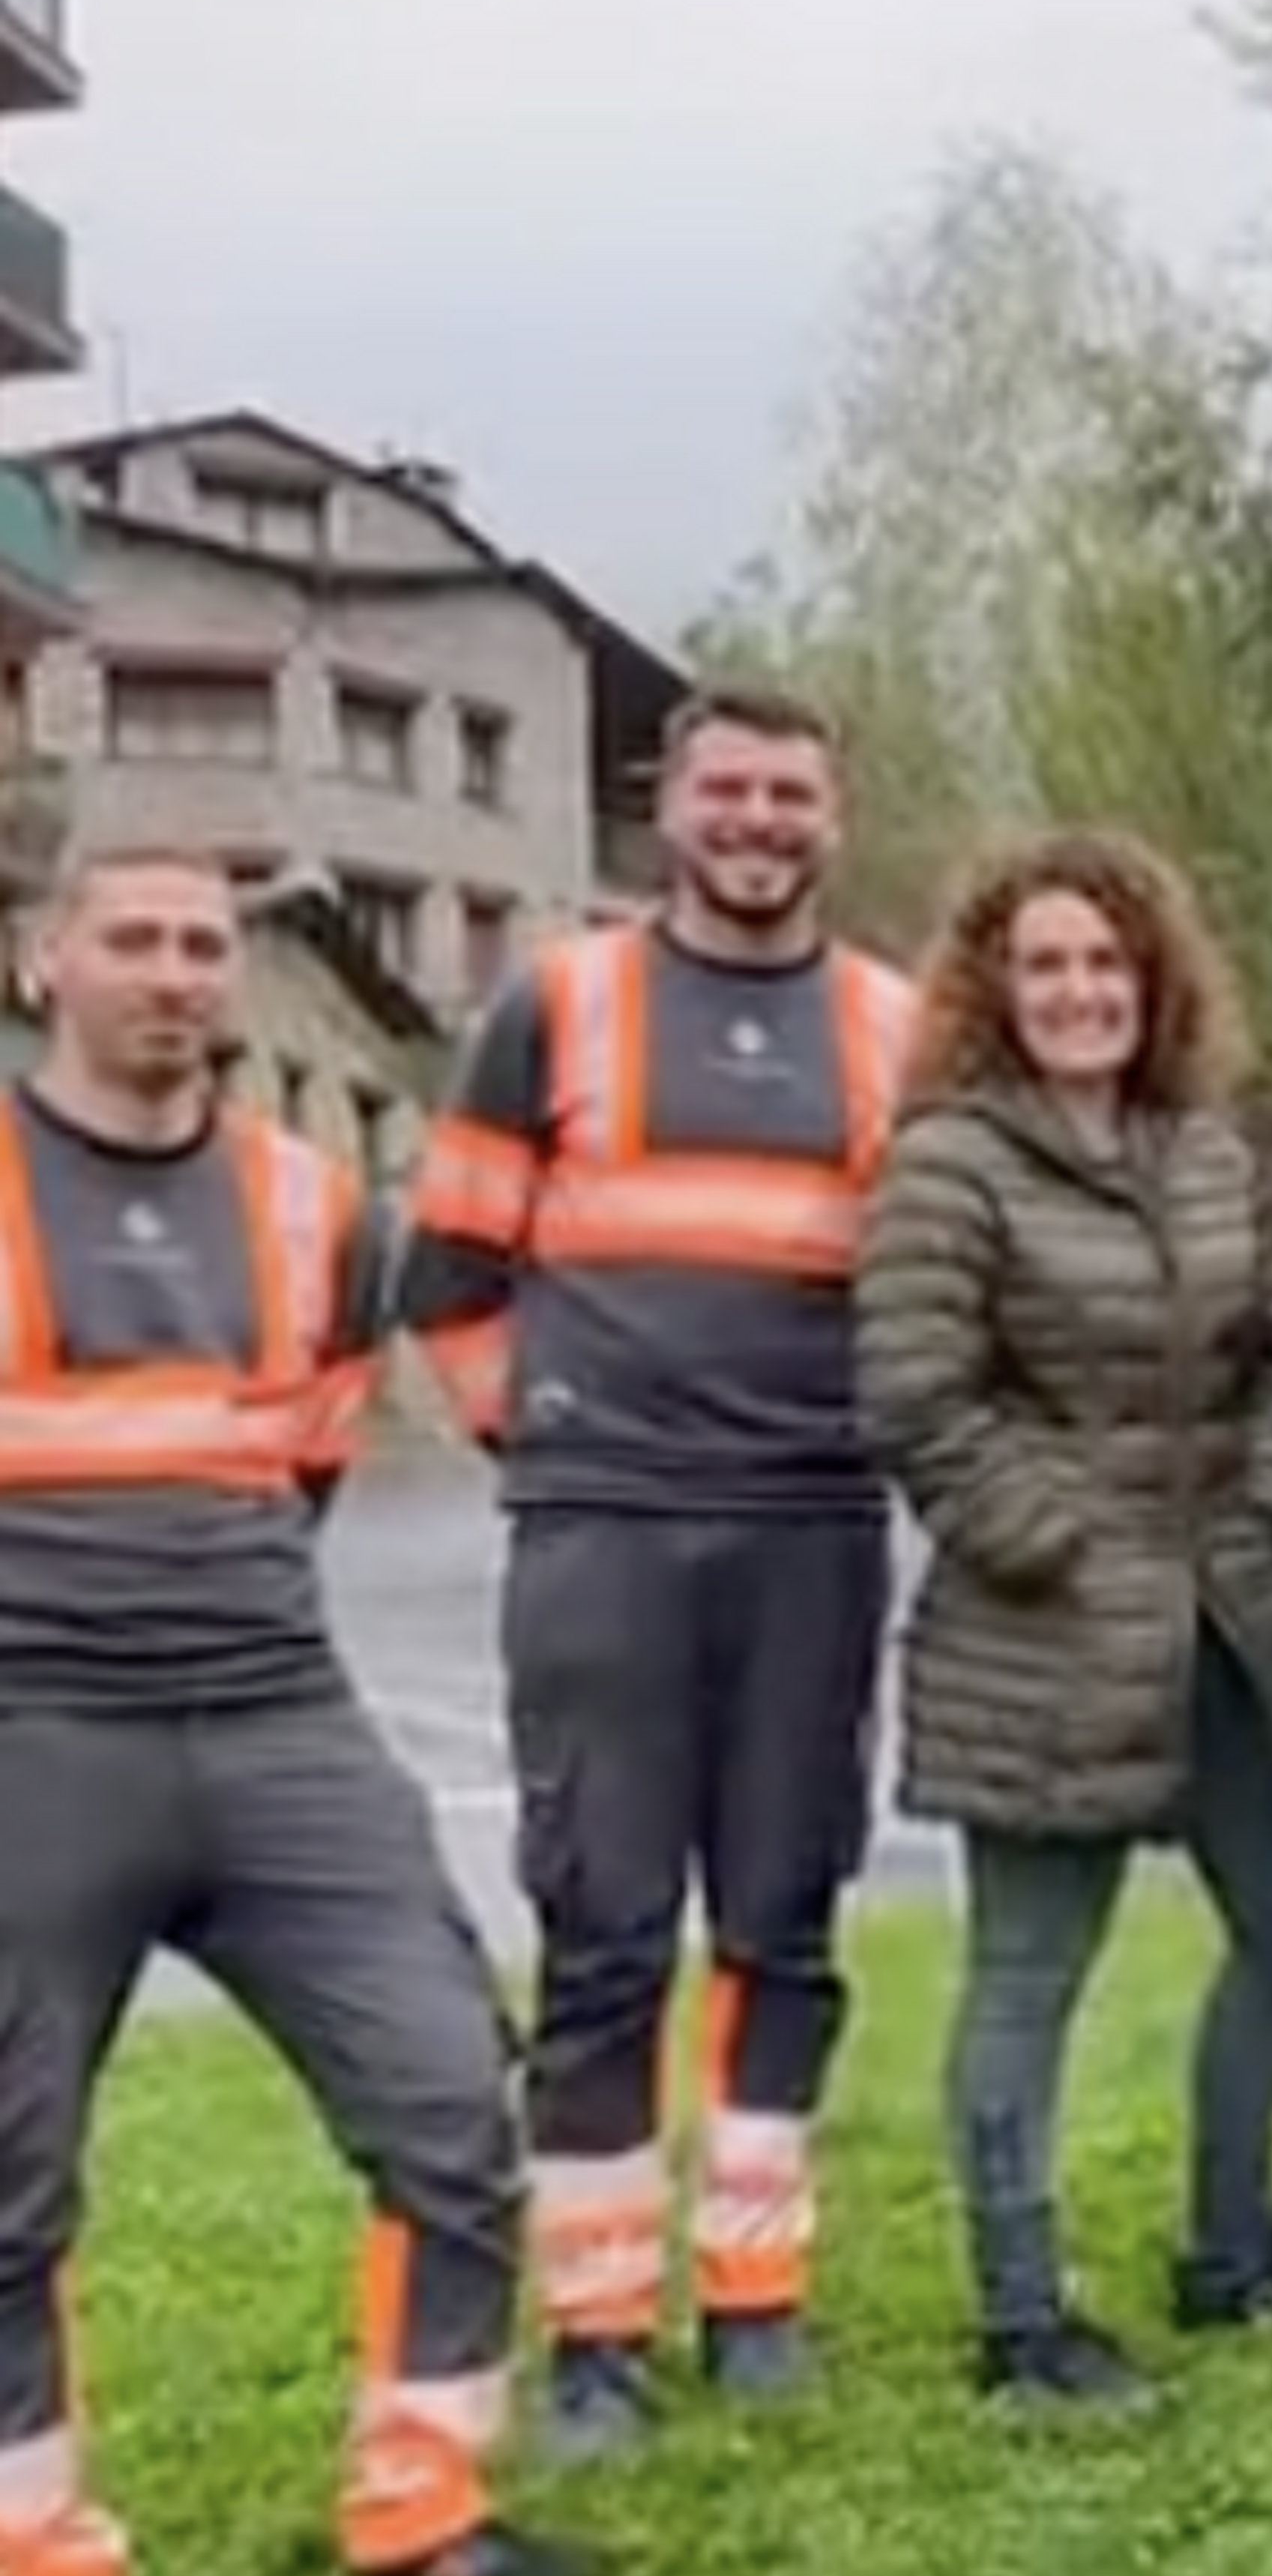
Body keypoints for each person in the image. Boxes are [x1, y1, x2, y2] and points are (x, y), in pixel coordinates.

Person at [0, 846, 597, 2576]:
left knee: (444, 2097)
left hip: (274, 1719)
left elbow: (312, 1458)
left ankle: (424, 2503)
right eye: (136, 941)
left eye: (203, 947)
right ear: (44, 963)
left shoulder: (315, 1204)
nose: (177, 975)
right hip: (31, 1730)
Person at [398, 684, 920, 2456]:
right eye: (727, 790)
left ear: (831, 819)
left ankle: (755, 2294)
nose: (758, 821)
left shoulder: (894, 1026)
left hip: (815, 1529)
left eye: (791, 792)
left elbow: (927, 1285)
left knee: (786, 1921)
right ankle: (602, 2326)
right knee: (606, 1931)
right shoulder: (559, 1003)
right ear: (667, 806)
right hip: (604, 1537)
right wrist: (549, 1456)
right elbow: (448, 1279)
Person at [854, 830, 1272, 2410]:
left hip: (1226, 1616)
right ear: (1000, 989)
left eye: (1108, 962)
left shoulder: (1204, 1149)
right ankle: (1022, 2322)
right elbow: (917, 1398)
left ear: (1155, 979)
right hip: (1048, 1631)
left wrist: (1267, 1496)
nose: (1083, 991)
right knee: (1029, 1975)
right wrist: (1059, 1541)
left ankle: (1231, 2248)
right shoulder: (951, 1163)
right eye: (1049, 964)